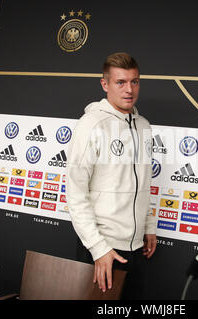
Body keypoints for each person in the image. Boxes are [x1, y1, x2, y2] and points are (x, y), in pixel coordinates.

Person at [66, 52, 157, 299]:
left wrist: (148, 225)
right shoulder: (91, 124)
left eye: (134, 81)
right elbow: (75, 193)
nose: (129, 89)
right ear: (105, 84)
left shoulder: (144, 126)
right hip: (103, 249)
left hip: (137, 247)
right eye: (121, 82)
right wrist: (98, 248)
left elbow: (145, 182)